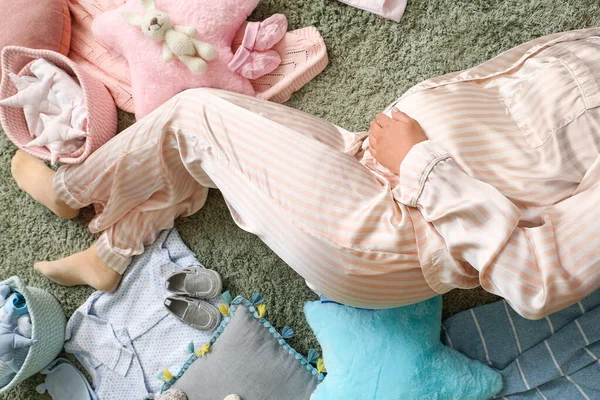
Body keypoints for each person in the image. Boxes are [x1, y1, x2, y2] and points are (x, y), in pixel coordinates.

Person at [10, 28, 600, 319]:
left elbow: (539, 279)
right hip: (379, 167)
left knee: (196, 118)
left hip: (394, 231)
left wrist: (419, 161)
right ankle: (111, 255)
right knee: (214, 152)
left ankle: (69, 192)